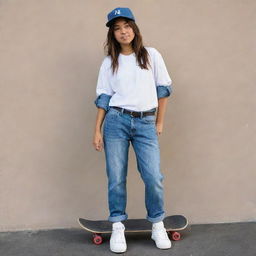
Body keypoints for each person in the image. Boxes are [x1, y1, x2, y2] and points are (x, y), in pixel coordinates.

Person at [93, 7, 173, 253]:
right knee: (116, 178)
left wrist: (159, 121)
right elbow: (104, 98)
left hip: (146, 123)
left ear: (134, 28)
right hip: (116, 122)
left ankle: (157, 224)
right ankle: (118, 226)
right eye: (117, 28)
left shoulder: (151, 55)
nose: (123, 31)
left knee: (153, 177)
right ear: (112, 35)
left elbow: (163, 88)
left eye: (126, 26)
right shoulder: (109, 63)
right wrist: (97, 129)